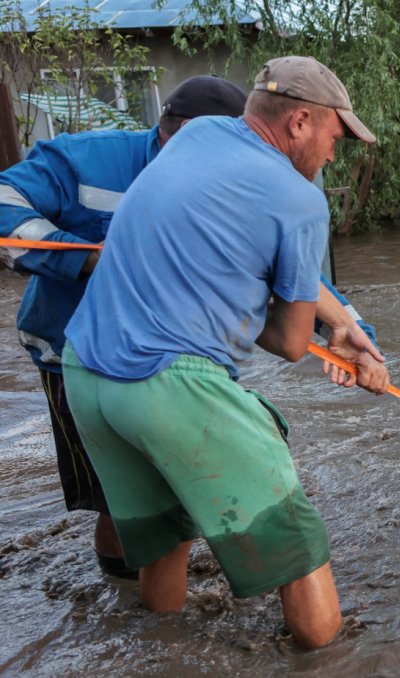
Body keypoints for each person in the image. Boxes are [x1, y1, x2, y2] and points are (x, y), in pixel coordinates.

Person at [62, 55, 386, 650]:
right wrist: (325, 334)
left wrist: (342, 326)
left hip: (85, 374)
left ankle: (169, 656)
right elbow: (290, 343)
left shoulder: (200, 133)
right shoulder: (301, 200)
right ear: (299, 122)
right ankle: (332, 659)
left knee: (166, 542)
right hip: (168, 384)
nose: (336, 154)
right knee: (298, 546)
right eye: (335, 137)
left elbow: (207, 243)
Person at [0, 75, 248, 579]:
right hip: (72, 353)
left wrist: (345, 326)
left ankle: (155, 589)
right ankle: (123, 602)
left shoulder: (229, 180)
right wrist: (88, 259)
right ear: (173, 136)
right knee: (116, 495)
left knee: (184, 479)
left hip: (173, 358)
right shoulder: (86, 159)